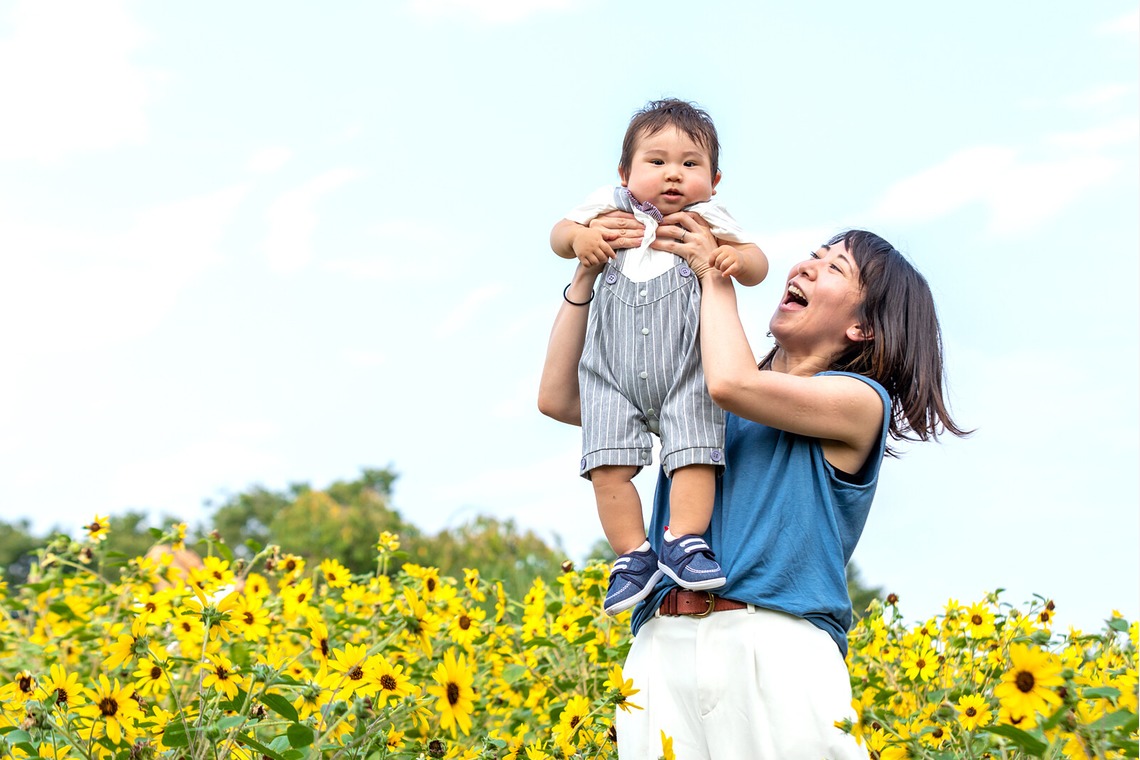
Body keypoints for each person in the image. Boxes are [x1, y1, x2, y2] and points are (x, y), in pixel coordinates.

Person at [538, 223, 968, 759]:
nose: (806, 266)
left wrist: (712, 275)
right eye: (813, 255)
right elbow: (558, 397)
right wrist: (586, 274)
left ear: (863, 328)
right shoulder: (699, 400)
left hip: (775, 643)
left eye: (835, 268)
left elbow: (731, 383)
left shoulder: (861, 402)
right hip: (660, 645)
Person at [549, 99, 769, 615]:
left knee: (694, 454)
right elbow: (558, 235)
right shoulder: (609, 209)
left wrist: (734, 259)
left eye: (691, 164)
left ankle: (683, 539)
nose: (674, 174)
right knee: (607, 468)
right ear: (625, 172)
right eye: (657, 161)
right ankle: (632, 554)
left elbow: (757, 261)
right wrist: (581, 238)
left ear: (714, 180)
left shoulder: (707, 220)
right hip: (611, 377)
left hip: (684, 374)